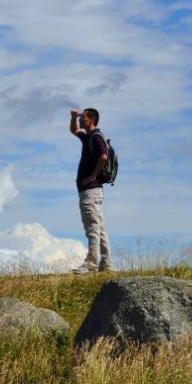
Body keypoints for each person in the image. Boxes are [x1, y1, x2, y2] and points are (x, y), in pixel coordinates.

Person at [70, 108, 112, 274]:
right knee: (99, 228)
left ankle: (91, 264)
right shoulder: (88, 137)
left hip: (91, 191)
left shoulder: (96, 137)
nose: (81, 120)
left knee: (92, 227)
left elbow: (103, 156)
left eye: (83, 117)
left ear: (91, 119)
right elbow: (74, 130)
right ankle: (106, 264)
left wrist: (92, 176)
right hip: (91, 191)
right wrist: (73, 118)